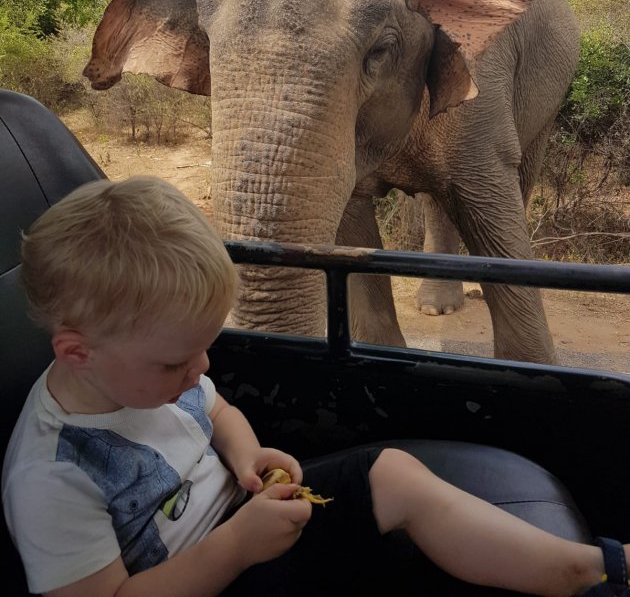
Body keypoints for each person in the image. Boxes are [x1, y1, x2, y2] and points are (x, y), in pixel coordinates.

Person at [2, 175, 629, 597]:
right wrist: (236, 549)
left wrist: (248, 458)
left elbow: (217, 414)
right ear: (78, 352)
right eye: (176, 362)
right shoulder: (54, 477)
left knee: (391, 472)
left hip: (244, 526)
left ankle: (589, 570)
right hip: (208, 576)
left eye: (205, 348)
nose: (201, 369)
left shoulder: (152, 376)